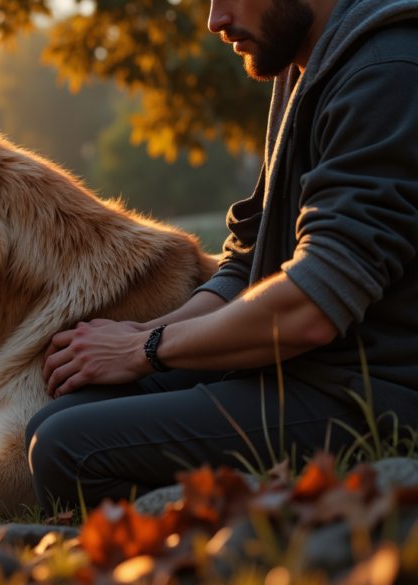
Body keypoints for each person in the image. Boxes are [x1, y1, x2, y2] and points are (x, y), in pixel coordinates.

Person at [26, 0, 418, 511]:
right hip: (296, 363)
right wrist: (143, 335)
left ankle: (281, 525)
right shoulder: (308, 65)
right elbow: (247, 262)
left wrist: (145, 350)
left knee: (67, 450)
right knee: (52, 418)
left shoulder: (386, 72)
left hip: (368, 395)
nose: (215, 19)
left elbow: (313, 307)